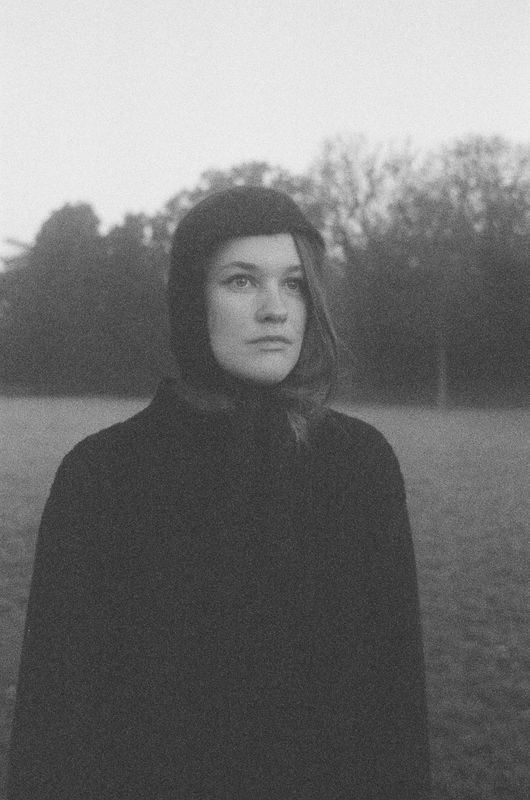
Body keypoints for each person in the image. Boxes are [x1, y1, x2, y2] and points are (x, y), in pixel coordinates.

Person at [7, 187, 431, 799]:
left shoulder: (359, 466)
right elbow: (55, 727)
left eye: (294, 284)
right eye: (241, 281)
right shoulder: (103, 476)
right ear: (190, 300)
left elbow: (395, 714)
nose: (275, 310)